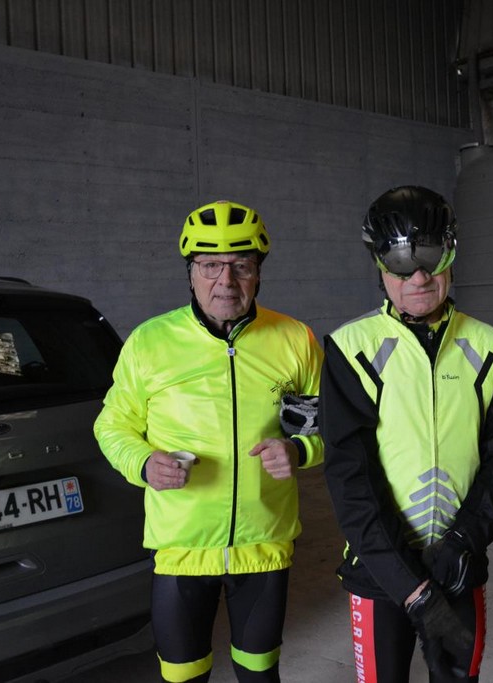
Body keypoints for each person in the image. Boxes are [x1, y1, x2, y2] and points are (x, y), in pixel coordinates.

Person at [94, 200, 324, 683]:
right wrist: (144, 463)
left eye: (242, 266)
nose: (226, 281)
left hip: (264, 545)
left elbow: (327, 428)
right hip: (181, 548)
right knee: (183, 677)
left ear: (258, 273)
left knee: (259, 675)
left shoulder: (295, 339)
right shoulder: (149, 342)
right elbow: (112, 425)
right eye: (210, 266)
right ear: (191, 272)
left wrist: (300, 451)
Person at [320, 186, 493, 682]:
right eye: (400, 262)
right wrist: (408, 584)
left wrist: (461, 542)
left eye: (430, 257)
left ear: (450, 255)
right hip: (380, 571)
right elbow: (351, 478)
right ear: (379, 265)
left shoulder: (489, 346)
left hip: (457, 563)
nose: (418, 277)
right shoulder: (352, 349)